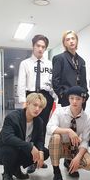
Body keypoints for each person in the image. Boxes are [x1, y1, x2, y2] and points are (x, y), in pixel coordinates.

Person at [0, 93, 49, 180]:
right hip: (3, 151)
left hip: (21, 150)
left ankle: (15, 169)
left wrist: (41, 151)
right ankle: (7, 174)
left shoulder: (39, 122)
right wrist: (30, 146)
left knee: (45, 152)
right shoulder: (13, 117)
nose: (37, 109)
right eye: (35, 105)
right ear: (28, 104)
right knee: (10, 150)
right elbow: (7, 138)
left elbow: (40, 139)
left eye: (40, 107)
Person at [17, 34, 54, 171]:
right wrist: (23, 101)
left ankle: (38, 157)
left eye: (43, 47)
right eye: (38, 46)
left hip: (45, 97)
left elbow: (52, 83)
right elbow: (21, 83)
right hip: (31, 95)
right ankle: (28, 155)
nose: (40, 49)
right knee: (29, 127)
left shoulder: (50, 64)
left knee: (42, 128)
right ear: (33, 46)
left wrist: (55, 99)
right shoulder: (25, 63)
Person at [47, 86, 90, 180]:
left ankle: (70, 162)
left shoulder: (87, 119)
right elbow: (49, 128)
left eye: (78, 99)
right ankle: (57, 172)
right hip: (59, 146)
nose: (74, 101)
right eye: (72, 98)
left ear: (83, 100)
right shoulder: (60, 112)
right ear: (68, 99)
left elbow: (85, 141)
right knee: (55, 137)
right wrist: (68, 131)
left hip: (74, 148)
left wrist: (78, 157)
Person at [52, 30, 88, 108]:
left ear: (76, 41)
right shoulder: (59, 58)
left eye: (73, 38)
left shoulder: (82, 61)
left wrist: (85, 95)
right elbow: (55, 81)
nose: (71, 41)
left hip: (80, 99)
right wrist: (62, 94)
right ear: (64, 43)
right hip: (66, 98)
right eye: (68, 39)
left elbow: (84, 82)